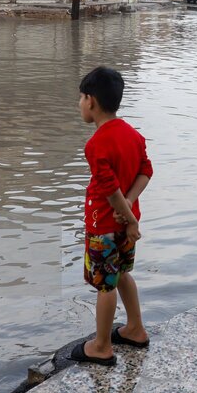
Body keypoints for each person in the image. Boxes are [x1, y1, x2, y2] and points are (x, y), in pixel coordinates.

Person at [70, 67, 153, 366]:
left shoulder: (96, 144)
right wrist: (130, 210)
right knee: (123, 275)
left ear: (91, 101)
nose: (79, 103)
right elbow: (146, 171)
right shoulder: (133, 135)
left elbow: (109, 189)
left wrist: (127, 216)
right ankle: (134, 328)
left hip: (104, 225)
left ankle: (102, 346)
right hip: (125, 225)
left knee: (105, 284)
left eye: (80, 97)